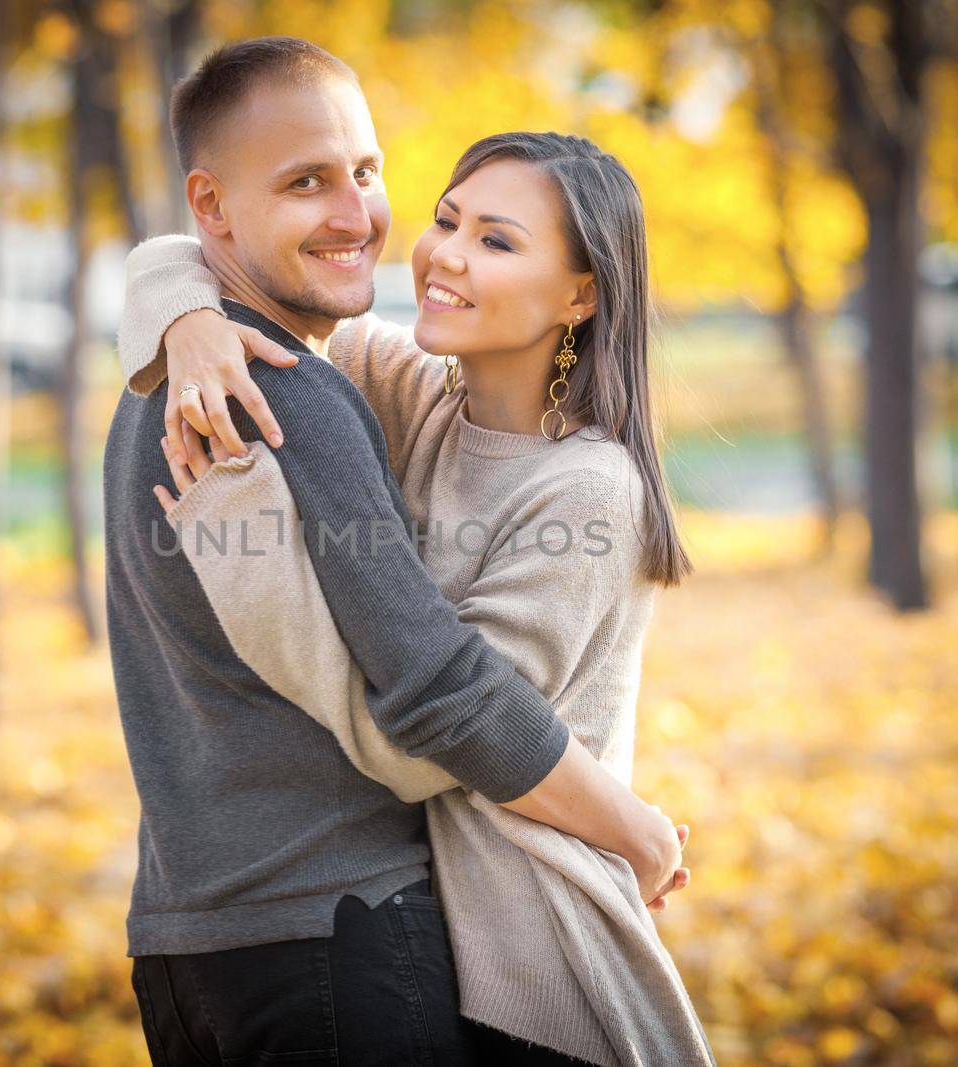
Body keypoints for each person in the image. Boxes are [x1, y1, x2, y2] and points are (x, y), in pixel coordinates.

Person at [102, 36, 691, 1066]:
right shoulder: (335, 384)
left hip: (512, 943)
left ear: (580, 295)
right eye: (447, 220)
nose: (435, 249)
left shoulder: (582, 485)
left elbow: (442, 711)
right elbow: (429, 717)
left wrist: (627, 826)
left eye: (365, 175)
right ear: (213, 205)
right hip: (332, 927)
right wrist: (188, 314)